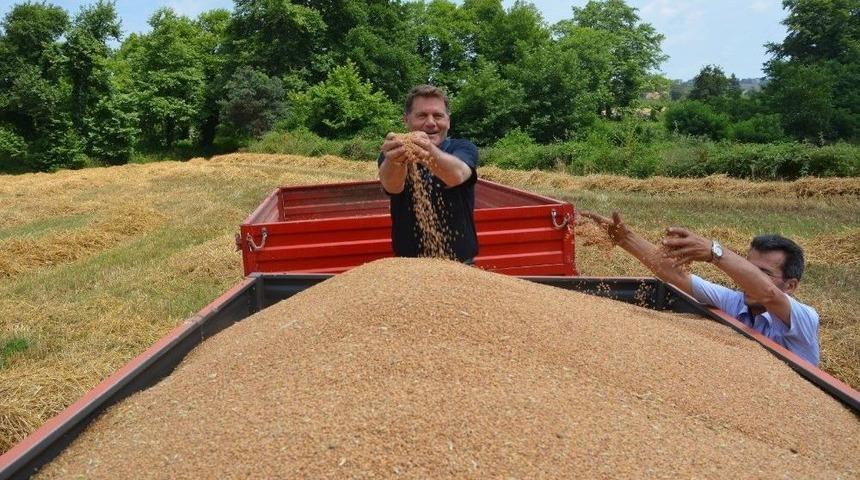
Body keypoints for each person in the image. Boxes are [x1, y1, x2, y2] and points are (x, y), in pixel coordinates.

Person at [581, 211, 820, 366]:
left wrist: (714, 252)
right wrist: (625, 239)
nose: (749, 279)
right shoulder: (736, 302)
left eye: (763, 273)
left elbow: (768, 293)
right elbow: (673, 274)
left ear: (791, 286)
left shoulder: (804, 319)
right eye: (749, 268)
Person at [378, 85, 479, 263]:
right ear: (406, 120)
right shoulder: (394, 153)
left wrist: (428, 151)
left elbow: (457, 175)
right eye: (422, 115)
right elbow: (392, 186)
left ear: (448, 120)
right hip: (409, 265)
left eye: (438, 115)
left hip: (460, 265)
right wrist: (395, 160)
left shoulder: (462, 147)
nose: (431, 122)